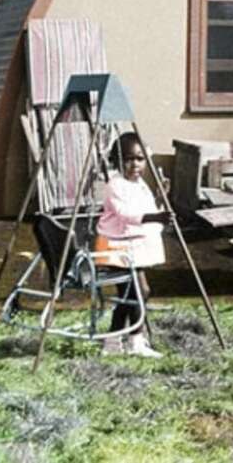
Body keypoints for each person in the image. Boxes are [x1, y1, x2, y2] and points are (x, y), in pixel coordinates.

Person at [95, 131, 170, 357]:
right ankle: (135, 341)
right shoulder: (116, 185)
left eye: (140, 159)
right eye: (129, 159)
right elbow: (126, 214)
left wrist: (160, 199)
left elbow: (146, 210)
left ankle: (113, 340)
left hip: (132, 247)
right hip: (115, 247)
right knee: (139, 291)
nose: (135, 164)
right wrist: (155, 217)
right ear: (118, 161)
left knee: (131, 294)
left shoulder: (139, 184)